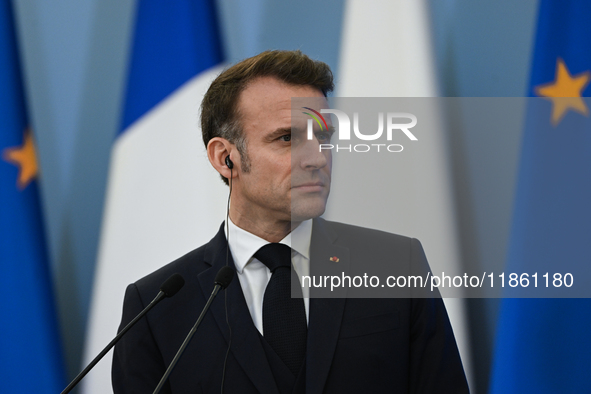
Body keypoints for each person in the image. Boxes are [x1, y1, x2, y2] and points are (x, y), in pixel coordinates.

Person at [112, 50, 469, 393]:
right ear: (225, 157)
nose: (317, 158)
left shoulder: (396, 264)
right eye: (287, 138)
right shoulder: (158, 305)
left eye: (324, 136)